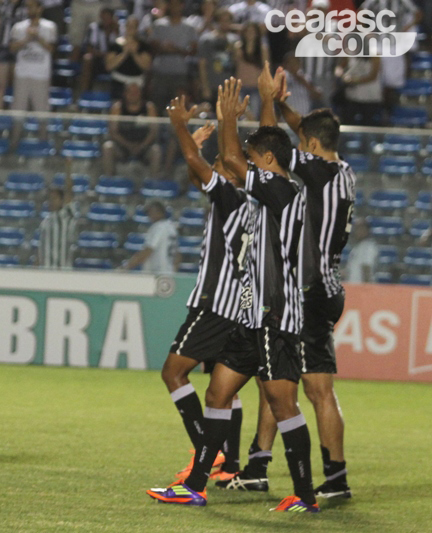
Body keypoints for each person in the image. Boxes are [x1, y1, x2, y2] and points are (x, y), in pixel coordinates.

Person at [148, 79, 318, 512]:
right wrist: (256, 110)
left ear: (266, 161)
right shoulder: (257, 200)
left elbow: (229, 159)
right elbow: (216, 166)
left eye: (254, 155)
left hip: (275, 314)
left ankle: (305, 495)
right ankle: (197, 485)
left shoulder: (286, 192)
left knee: (282, 404)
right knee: (218, 394)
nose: (246, 160)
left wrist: (227, 120)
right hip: (249, 316)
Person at [227, 75, 355, 499]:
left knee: (295, 383)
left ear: (313, 148)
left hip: (306, 288)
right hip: (330, 285)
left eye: (306, 144)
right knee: (293, 381)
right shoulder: (343, 171)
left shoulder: (314, 172)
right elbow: (298, 133)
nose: (300, 148)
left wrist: (267, 102)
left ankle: (277, 469)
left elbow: (273, 154)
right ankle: (310, 472)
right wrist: (284, 106)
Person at [157, 100, 249, 485]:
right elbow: (201, 176)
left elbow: (198, 167)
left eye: (223, 166)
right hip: (240, 307)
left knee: (174, 373)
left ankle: (204, 453)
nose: (217, 169)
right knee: (225, 390)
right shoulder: (253, 201)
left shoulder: (229, 195)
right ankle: (229, 464)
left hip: (215, 302)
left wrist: (180, 128)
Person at [9, 0, 57, 140]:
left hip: (41, 75)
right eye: (27, 7)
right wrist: (27, 38)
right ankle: (14, 142)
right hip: (22, 74)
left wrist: (38, 38)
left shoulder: (50, 26)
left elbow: (52, 49)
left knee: (42, 112)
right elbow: (12, 48)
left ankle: (43, 142)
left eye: (32, 6)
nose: (29, 9)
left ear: (40, 8)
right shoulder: (19, 27)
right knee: (18, 111)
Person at [101, 83, 161, 178]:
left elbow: (153, 132)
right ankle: (109, 181)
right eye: (131, 92)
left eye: (136, 92)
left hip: (144, 147)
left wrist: (141, 146)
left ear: (141, 93)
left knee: (156, 150)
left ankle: (153, 185)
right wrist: (128, 145)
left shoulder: (149, 107)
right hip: (122, 147)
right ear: (125, 93)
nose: (133, 94)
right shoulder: (117, 108)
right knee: (108, 147)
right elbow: (113, 132)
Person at [148, 0, 198, 112]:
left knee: (179, 108)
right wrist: (164, 48)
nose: (175, 7)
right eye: (172, 4)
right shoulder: (159, 25)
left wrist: (175, 49)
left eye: (177, 4)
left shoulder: (189, 26)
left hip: (180, 73)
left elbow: (193, 50)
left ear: (182, 5)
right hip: (160, 72)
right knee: (157, 106)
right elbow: (152, 47)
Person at [37, 161, 77, 269]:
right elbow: (40, 248)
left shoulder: (66, 216)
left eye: (54, 198)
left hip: (63, 272)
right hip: (46, 271)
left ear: (62, 200)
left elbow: (69, 191)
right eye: (50, 198)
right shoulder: (45, 222)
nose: (51, 201)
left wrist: (68, 169)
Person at [121, 200, 178, 273]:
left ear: (160, 212)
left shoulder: (158, 227)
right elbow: (177, 254)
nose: (149, 215)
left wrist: (127, 266)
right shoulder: (171, 228)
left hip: (156, 272)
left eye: (151, 212)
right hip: (169, 272)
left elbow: (148, 250)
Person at [196, 8, 237, 105]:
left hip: (228, 85)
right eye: (222, 20)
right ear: (217, 21)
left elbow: (236, 64)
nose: (225, 23)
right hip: (211, 84)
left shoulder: (234, 40)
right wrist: (205, 86)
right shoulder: (206, 39)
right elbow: (202, 64)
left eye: (227, 21)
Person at [105, 16, 152, 100]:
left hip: (137, 84)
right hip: (118, 83)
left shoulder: (144, 46)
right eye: (128, 26)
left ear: (137, 28)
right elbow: (109, 66)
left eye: (133, 26)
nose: (130, 29)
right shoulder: (115, 45)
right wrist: (124, 53)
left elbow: (146, 66)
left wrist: (134, 53)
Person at [78, 7, 121, 96]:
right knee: (87, 59)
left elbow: (122, 48)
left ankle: (118, 96)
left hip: (114, 60)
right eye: (103, 17)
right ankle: (83, 94)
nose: (105, 20)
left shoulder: (119, 29)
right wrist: (104, 55)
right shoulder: (93, 28)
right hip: (97, 60)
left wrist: (116, 31)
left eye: (108, 17)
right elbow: (89, 48)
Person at [0, 0, 27, 110]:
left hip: (20, 49)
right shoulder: (2, 4)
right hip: (3, 47)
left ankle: (15, 113)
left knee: (17, 86)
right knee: (0, 86)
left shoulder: (26, 6)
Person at [233, 22, 267, 120]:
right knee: (239, 115)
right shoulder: (238, 47)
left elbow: (265, 68)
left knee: (253, 116)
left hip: (256, 87)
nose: (250, 33)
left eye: (252, 31)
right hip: (241, 86)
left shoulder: (262, 49)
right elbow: (235, 65)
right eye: (248, 31)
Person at [344, 218, 378, 283]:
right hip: (354, 288)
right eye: (356, 228)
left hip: (362, 289)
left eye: (360, 229)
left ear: (367, 230)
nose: (357, 231)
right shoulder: (357, 247)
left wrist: (366, 290)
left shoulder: (368, 247)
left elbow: (366, 269)